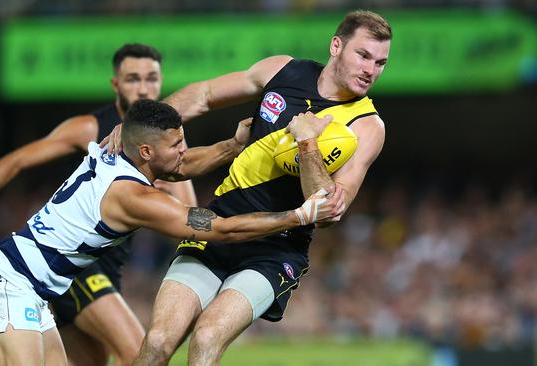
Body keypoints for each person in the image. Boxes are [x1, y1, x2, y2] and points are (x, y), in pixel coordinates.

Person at [0, 99, 341, 366]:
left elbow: (179, 166)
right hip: (9, 286)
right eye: (176, 144)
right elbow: (221, 229)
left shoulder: (114, 153)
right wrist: (296, 216)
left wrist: (233, 145)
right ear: (145, 150)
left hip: (27, 286)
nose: (184, 149)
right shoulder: (133, 196)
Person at [127, 10, 392, 366]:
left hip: (276, 250)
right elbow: (204, 94)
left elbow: (328, 211)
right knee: (158, 341)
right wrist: (138, 127)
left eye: (380, 63)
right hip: (218, 223)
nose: (370, 70)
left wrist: (308, 145)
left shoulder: (366, 126)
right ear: (336, 45)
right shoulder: (283, 70)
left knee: (207, 337)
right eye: (363, 55)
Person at [0, 44, 196, 366]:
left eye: (151, 78)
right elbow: (19, 160)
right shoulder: (90, 128)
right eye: (133, 79)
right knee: (138, 352)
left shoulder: (166, 140)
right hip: (76, 267)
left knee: (91, 361)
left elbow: (186, 217)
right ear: (115, 85)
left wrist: (167, 181)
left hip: (106, 265)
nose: (144, 88)